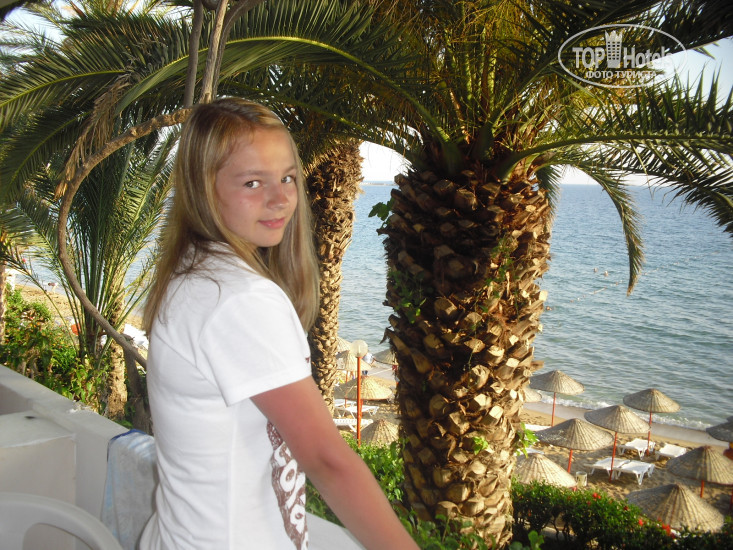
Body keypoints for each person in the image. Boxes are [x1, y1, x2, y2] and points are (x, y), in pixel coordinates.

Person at [139, 98, 417, 550]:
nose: (281, 198)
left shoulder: (196, 272)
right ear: (204, 190)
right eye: (253, 182)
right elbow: (327, 460)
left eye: (288, 177)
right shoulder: (238, 299)